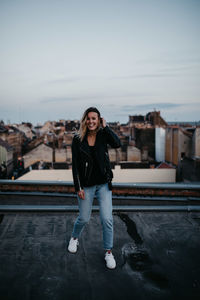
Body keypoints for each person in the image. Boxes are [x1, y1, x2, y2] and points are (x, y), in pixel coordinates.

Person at [68, 107, 121, 269]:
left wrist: (106, 127)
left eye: (94, 118)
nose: (91, 121)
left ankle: (108, 252)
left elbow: (117, 144)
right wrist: (78, 187)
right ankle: (74, 238)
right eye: (88, 118)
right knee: (84, 218)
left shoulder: (103, 134)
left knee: (107, 219)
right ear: (85, 120)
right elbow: (75, 166)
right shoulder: (77, 139)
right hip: (86, 186)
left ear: (99, 120)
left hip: (104, 184)